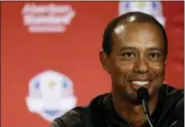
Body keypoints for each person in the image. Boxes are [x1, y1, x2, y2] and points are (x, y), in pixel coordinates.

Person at [50, 12, 184, 127]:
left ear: (164, 61)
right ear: (105, 61)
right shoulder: (76, 124)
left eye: (153, 55)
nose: (142, 67)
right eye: (129, 55)